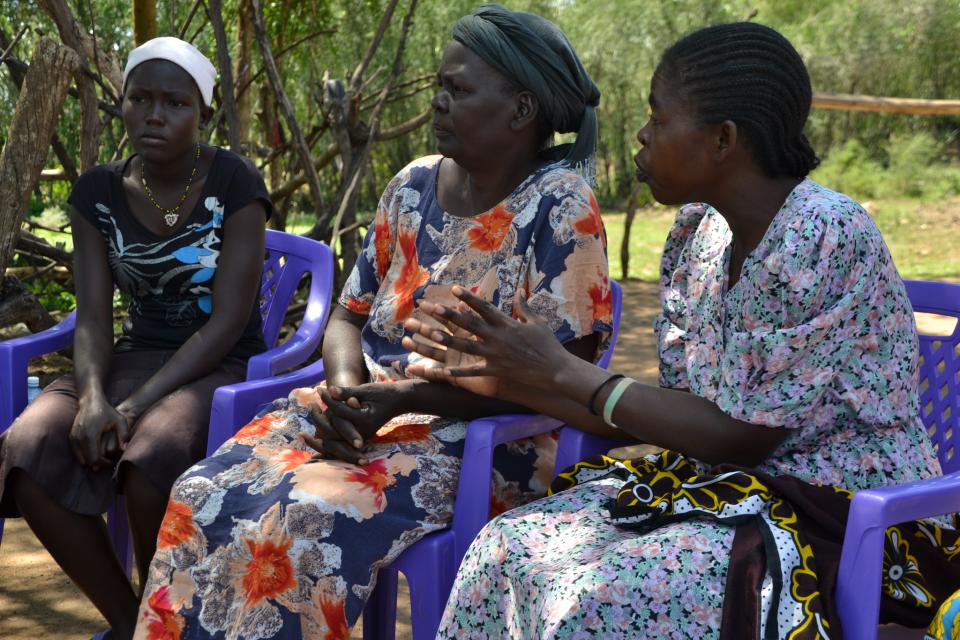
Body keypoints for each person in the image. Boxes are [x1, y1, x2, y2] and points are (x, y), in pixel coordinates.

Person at [404, 22, 960, 638]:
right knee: (505, 546)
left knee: (599, 590)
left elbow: (743, 438)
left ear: (723, 139)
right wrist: (507, 370)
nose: (641, 136)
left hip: (845, 511)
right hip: (729, 491)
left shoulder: (822, 234)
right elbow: (672, 410)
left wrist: (562, 370)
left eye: (658, 118)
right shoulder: (699, 233)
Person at [133, 6, 611, 639]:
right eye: (441, 85)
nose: (439, 101)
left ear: (521, 110)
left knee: (305, 520)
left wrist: (393, 401)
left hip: (481, 441)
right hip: (364, 411)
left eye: (458, 89)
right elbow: (346, 316)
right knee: (199, 490)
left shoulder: (559, 206)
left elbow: (558, 379)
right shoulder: (411, 186)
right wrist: (344, 388)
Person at [0, 37, 271, 639]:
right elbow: (93, 315)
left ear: (203, 112)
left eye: (174, 102)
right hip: (131, 358)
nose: (155, 114)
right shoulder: (97, 192)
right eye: (140, 99)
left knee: (150, 459)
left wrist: (131, 406)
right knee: (27, 447)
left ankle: (166, 613)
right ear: (121, 104)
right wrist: (94, 397)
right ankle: (133, 624)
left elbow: (227, 321)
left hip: (220, 364)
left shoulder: (234, 181)